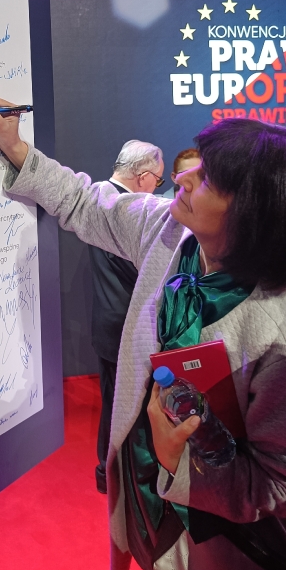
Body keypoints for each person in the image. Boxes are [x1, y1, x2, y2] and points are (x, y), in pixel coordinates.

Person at [0, 100, 286, 570]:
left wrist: (176, 457)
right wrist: (15, 148)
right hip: (149, 518)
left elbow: (283, 488)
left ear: (252, 214)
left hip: (222, 559)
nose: (184, 177)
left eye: (208, 178)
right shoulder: (171, 232)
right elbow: (86, 203)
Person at [89, 139, 165, 494]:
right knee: (128, 408)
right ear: (144, 176)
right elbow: (144, 275)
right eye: (158, 181)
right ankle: (120, 477)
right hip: (127, 330)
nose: (157, 190)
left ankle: (109, 473)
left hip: (108, 325)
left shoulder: (98, 197)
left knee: (113, 404)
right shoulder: (128, 210)